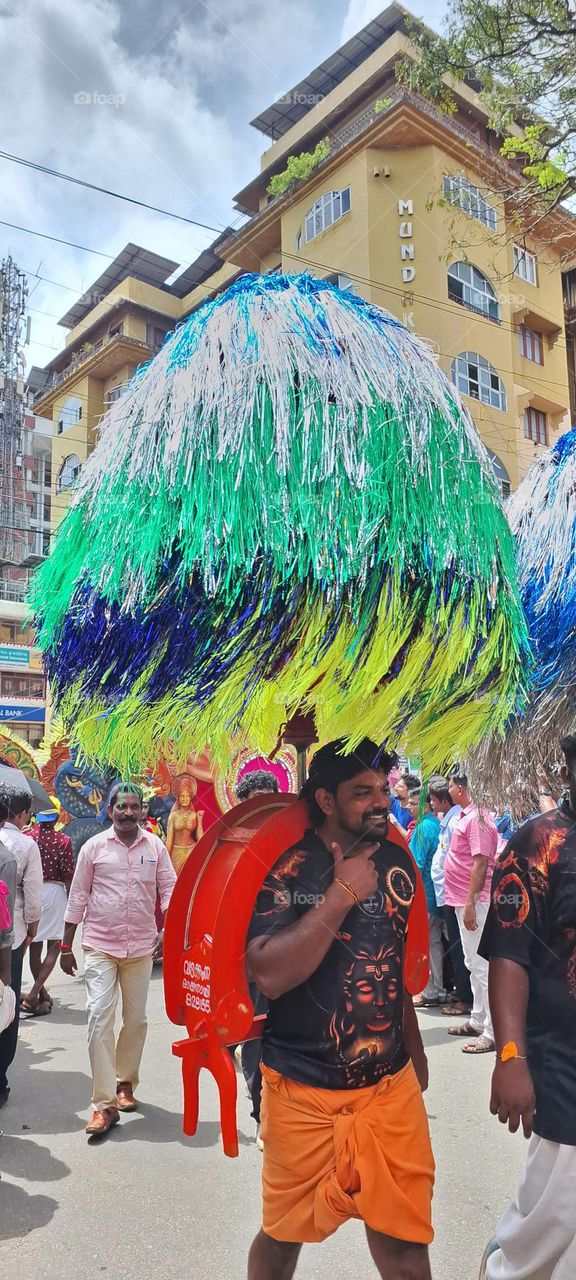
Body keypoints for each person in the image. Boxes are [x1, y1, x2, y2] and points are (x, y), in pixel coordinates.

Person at [246, 738, 434, 1280]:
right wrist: (340, 895)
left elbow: (392, 970)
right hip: (300, 1089)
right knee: (281, 1241)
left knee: (406, 1246)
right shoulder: (289, 868)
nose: (380, 802)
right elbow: (271, 973)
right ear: (325, 800)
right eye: (362, 793)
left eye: (383, 789)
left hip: (388, 1089)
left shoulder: (399, 863)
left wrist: (414, 1053)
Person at [477, 733, 576, 1280]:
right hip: (562, 1059)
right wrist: (510, 1054)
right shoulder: (536, 844)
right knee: (556, 1206)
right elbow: (509, 957)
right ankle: (503, 1268)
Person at [60, 785, 177, 1137]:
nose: (128, 812)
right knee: (98, 1018)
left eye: (134, 807)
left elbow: (170, 888)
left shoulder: (155, 847)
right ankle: (103, 1104)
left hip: (141, 948)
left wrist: (168, 929)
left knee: (137, 1020)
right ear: (109, 810)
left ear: (142, 811)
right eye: (121, 806)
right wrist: (66, 947)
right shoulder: (94, 848)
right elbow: (78, 894)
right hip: (99, 946)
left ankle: (126, 1083)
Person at [234, 768, 279, 1150]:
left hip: (291, 954)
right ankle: (261, 1112)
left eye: (270, 798)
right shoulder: (232, 845)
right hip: (246, 958)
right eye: (256, 800)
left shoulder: (291, 843)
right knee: (256, 1036)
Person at [444, 770, 498, 1054]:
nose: (448, 789)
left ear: (462, 788)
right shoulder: (466, 815)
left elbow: (480, 863)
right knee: (472, 964)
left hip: (475, 901)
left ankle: (491, 1030)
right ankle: (479, 1019)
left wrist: (469, 902)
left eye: (451, 784)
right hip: (463, 898)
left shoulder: (477, 819)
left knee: (482, 966)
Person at [0, 789, 43, 1107]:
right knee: (6, 1003)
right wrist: (31, 930)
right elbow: (33, 894)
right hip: (8, 937)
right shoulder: (24, 846)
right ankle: (1, 1074)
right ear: (22, 813)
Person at [21, 809, 75, 1015]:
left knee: (35, 947)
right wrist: (73, 900)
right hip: (55, 891)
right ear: (55, 820)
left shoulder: (29, 837)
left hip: (33, 891)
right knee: (54, 947)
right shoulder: (63, 840)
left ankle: (43, 996)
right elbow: (68, 873)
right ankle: (35, 994)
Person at [429, 777, 472, 1017]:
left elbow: (462, 860)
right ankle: (463, 993)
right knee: (455, 945)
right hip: (448, 893)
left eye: (453, 785)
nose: (432, 805)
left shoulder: (457, 820)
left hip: (454, 893)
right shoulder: (451, 819)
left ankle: (466, 998)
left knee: (459, 947)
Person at [409, 791, 445, 1007]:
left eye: (413, 803)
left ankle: (430, 991)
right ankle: (436, 988)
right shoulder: (436, 824)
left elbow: (416, 865)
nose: (408, 807)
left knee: (428, 944)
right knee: (435, 943)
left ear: (424, 806)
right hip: (436, 895)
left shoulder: (423, 827)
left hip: (425, 895)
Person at [166, 775, 204, 874]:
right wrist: (165, 858)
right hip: (176, 852)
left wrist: (200, 820)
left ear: (191, 797)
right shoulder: (173, 816)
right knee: (175, 882)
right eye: (182, 796)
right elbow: (169, 840)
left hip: (192, 851)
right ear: (178, 798)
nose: (185, 799)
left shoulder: (194, 815)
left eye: (187, 796)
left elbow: (200, 838)